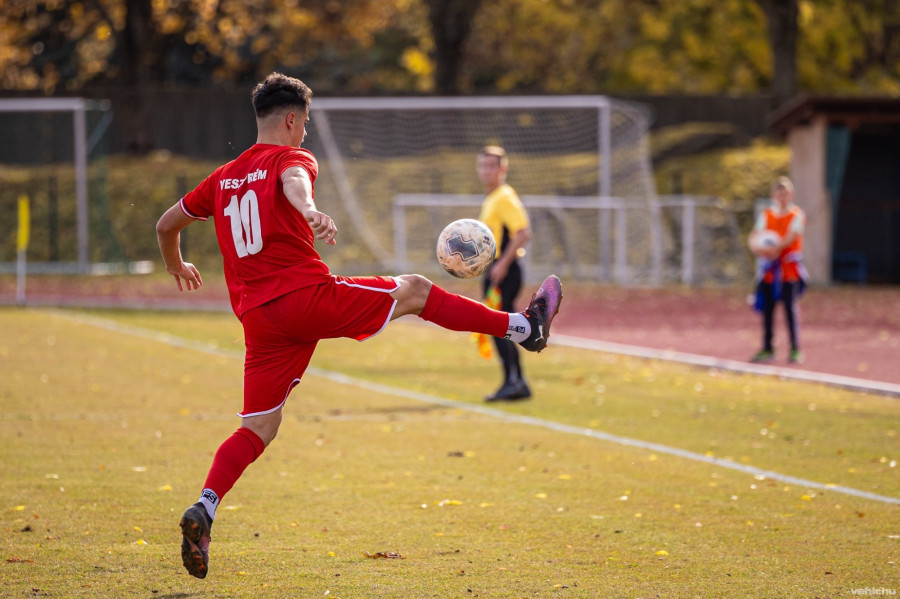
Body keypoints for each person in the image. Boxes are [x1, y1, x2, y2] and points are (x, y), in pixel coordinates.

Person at [155, 72, 563, 579]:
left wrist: (175, 263)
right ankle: (525, 328)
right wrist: (309, 210)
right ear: (291, 119)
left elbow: (166, 224)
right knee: (416, 290)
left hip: (258, 320)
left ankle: (206, 507)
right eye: (305, 123)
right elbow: (294, 181)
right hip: (305, 298)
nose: (305, 132)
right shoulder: (291, 158)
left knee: (258, 427)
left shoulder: (222, 178)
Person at [476, 146, 533, 401]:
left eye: (491, 166)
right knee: (499, 325)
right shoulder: (492, 198)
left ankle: (514, 382)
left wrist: (502, 264)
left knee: (500, 325)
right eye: (483, 165)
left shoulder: (504, 196)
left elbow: (522, 232)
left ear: (503, 169)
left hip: (504, 271)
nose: (486, 171)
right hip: (496, 268)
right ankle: (516, 382)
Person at [748, 176, 807, 364]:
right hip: (769, 272)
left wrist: (774, 250)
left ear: (791, 195)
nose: (782, 197)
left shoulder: (797, 215)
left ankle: (795, 348)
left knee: (790, 309)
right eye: (779, 193)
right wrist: (757, 248)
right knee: (767, 310)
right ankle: (767, 348)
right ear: (773, 195)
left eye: (785, 193)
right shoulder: (766, 215)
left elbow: (790, 237)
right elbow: (754, 236)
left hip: (788, 271)